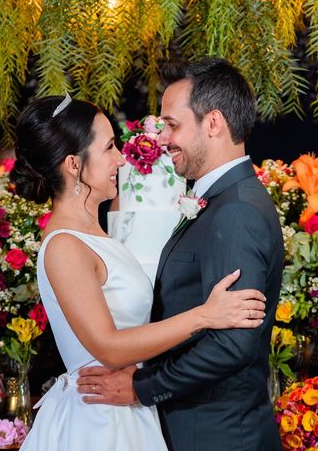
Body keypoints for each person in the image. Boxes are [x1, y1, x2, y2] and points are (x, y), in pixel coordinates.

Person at [12, 94, 268, 451]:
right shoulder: (64, 246)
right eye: (109, 148)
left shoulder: (96, 233)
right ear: (74, 164)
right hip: (99, 421)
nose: (120, 158)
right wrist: (205, 315)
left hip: (126, 409)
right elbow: (110, 348)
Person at [77, 58, 285, 451]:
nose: (162, 138)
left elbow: (233, 344)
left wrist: (141, 387)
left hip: (219, 434)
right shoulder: (219, 200)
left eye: (172, 124)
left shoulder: (237, 211)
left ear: (214, 123)